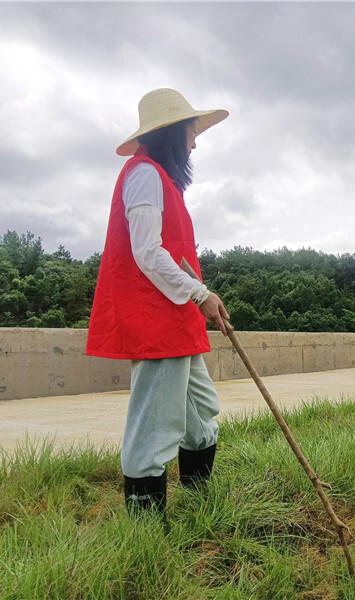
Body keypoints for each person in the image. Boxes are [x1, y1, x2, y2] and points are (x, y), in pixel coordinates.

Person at [86, 88, 231, 517]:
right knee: (153, 422)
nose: (195, 140)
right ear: (171, 132)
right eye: (191, 129)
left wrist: (201, 297)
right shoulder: (144, 174)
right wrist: (201, 294)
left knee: (200, 410)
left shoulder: (163, 181)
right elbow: (147, 252)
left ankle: (201, 499)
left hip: (177, 317)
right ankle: (145, 530)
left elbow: (177, 253)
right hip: (155, 319)